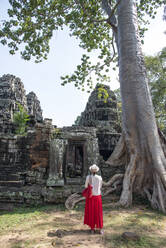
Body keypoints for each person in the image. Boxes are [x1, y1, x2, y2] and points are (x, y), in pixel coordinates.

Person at [84, 164, 103, 234]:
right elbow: (100, 186)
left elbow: (86, 186)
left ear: (91, 171)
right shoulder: (100, 178)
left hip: (91, 197)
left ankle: (92, 228)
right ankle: (100, 228)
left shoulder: (88, 177)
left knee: (91, 212)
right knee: (98, 213)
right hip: (98, 197)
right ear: (97, 171)